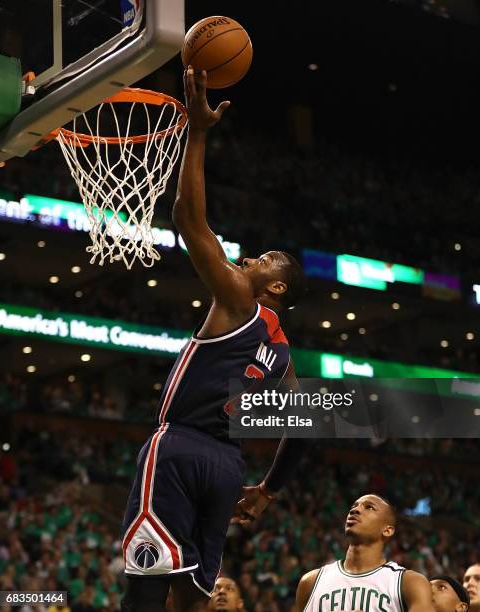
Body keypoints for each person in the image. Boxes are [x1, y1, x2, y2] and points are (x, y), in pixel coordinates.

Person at [120, 67, 309, 612]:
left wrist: (198, 131)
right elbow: (304, 431)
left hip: (180, 448)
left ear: (274, 286)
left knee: (147, 580)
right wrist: (269, 492)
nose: (249, 257)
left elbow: (187, 219)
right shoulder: (285, 359)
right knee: (194, 598)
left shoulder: (237, 300)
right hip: (230, 470)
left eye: (263, 259)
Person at [295, 494, 435, 611]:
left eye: (369, 507)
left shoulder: (409, 583)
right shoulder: (311, 581)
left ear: (387, 530)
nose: (355, 510)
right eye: (353, 506)